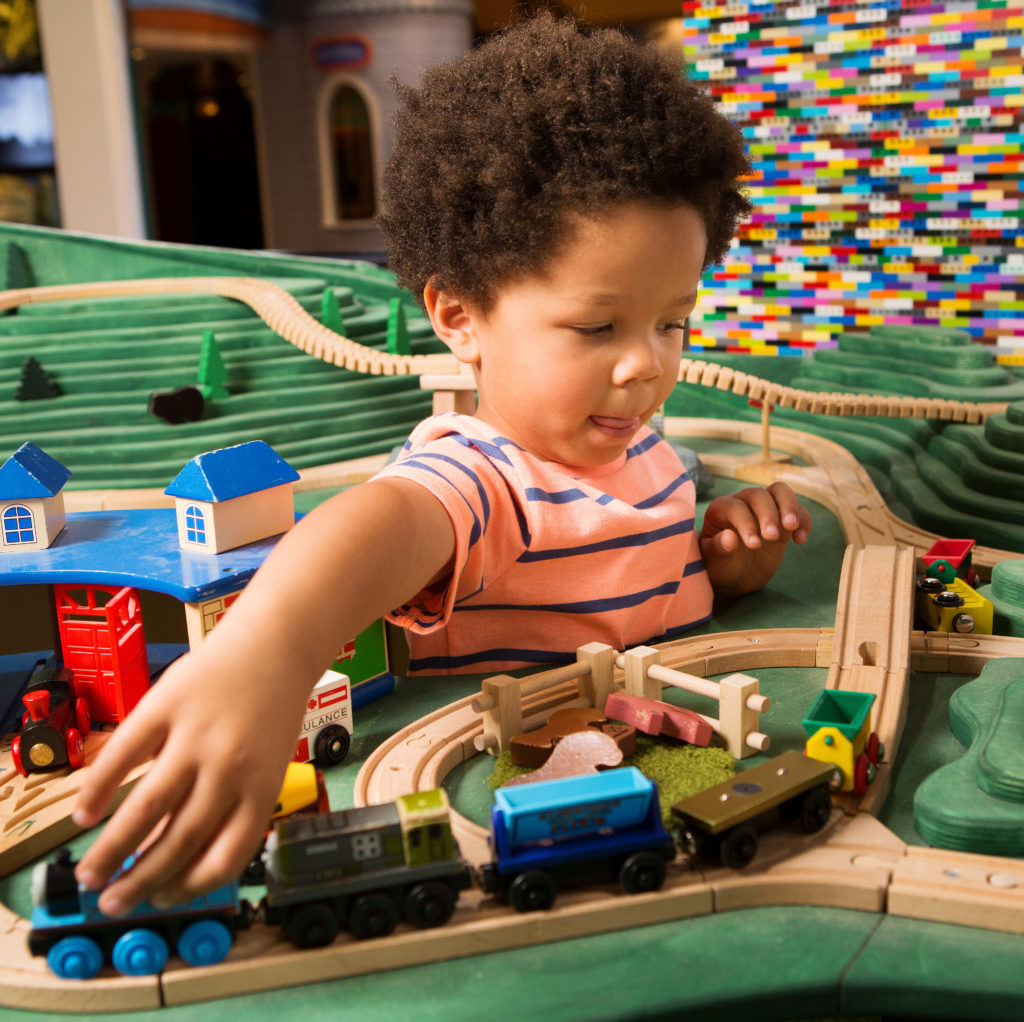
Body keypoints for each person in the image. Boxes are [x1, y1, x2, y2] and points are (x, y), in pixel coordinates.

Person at [72, 14, 811, 916]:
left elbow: (633, 576)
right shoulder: (485, 475)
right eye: (597, 326)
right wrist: (268, 652)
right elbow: (387, 519)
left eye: (672, 320)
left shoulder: (649, 452)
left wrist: (720, 569)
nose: (646, 363)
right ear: (460, 317)